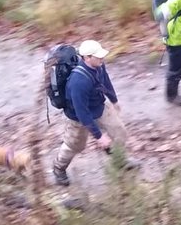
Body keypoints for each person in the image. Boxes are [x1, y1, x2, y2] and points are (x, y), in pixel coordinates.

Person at [50, 39, 131, 186]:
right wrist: (99, 136)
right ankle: (58, 168)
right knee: (74, 146)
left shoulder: (99, 65)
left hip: (99, 105)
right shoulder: (78, 82)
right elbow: (82, 113)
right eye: (98, 56)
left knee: (120, 133)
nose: (102, 58)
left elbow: (105, 80)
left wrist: (114, 100)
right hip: (77, 117)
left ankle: (118, 159)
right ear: (87, 58)